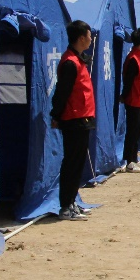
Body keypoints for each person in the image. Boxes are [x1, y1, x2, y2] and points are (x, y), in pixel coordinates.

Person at [50, 20, 96, 221]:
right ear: (81, 38)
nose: (91, 39)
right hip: (74, 119)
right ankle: (65, 207)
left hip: (83, 117)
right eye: (89, 35)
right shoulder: (70, 62)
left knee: (78, 163)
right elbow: (61, 93)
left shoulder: (78, 60)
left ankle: (71, 201)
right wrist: (56, 115)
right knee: (71, 163)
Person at [121, 28, 140, 172]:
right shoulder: (132, 58)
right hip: (133, 100)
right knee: (132, 131)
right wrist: (125, 96)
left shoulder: (138, 57)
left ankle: (135, 158)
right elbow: (128, 81)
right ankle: (129, 162)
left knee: (137, 131)